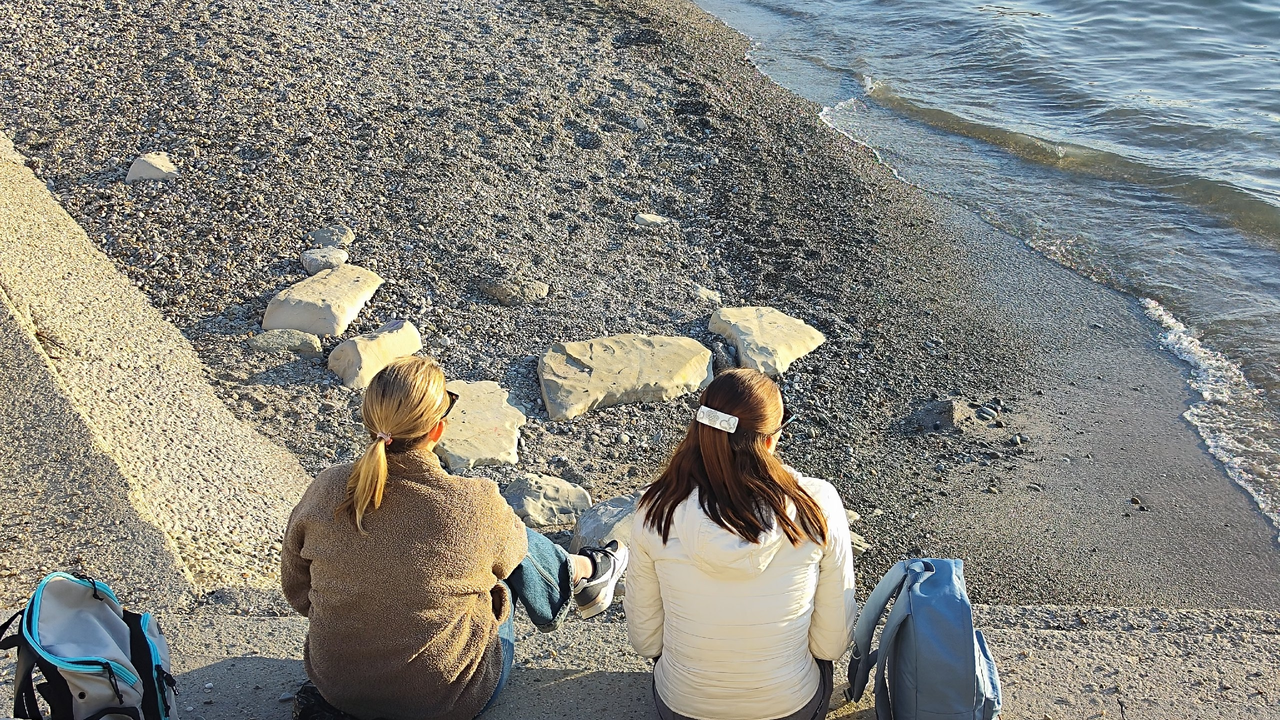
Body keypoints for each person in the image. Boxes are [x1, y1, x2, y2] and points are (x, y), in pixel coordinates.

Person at [281, 356, 627, 720]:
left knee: (490, 539)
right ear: (437, 430)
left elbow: (297, 590)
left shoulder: (325, 488)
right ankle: (581, 573)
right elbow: (515, 556)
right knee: (505, 550)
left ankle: (581, 572)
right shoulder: (470, 502)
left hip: (338, 688)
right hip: (444, 698)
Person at [624, 368, 858, 720]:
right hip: (788, 708)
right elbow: (831, 644)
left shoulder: (656, 508)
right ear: (769, 441)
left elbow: (646, 641)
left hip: (684, 708)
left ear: (702, 428)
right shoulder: (816, 503)